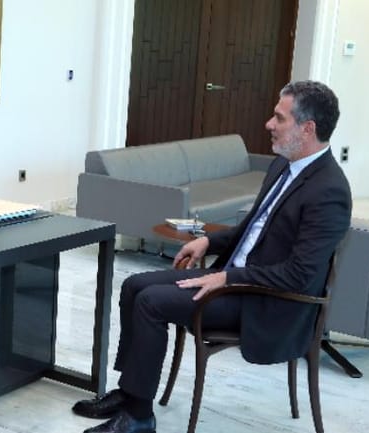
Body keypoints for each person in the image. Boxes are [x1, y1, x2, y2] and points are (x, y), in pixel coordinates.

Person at [72, 80, 352, 433]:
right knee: (134, 285)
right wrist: (207, 241)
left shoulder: (329, 190)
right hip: (237, 282)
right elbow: (253, 231)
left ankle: (139, 416)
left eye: (279, 118)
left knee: (151, 302)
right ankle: (130, 393)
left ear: (307, 128)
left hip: (266, 302)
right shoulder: (283, 166)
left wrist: (227, 278)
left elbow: (299, 274)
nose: (269, 124)